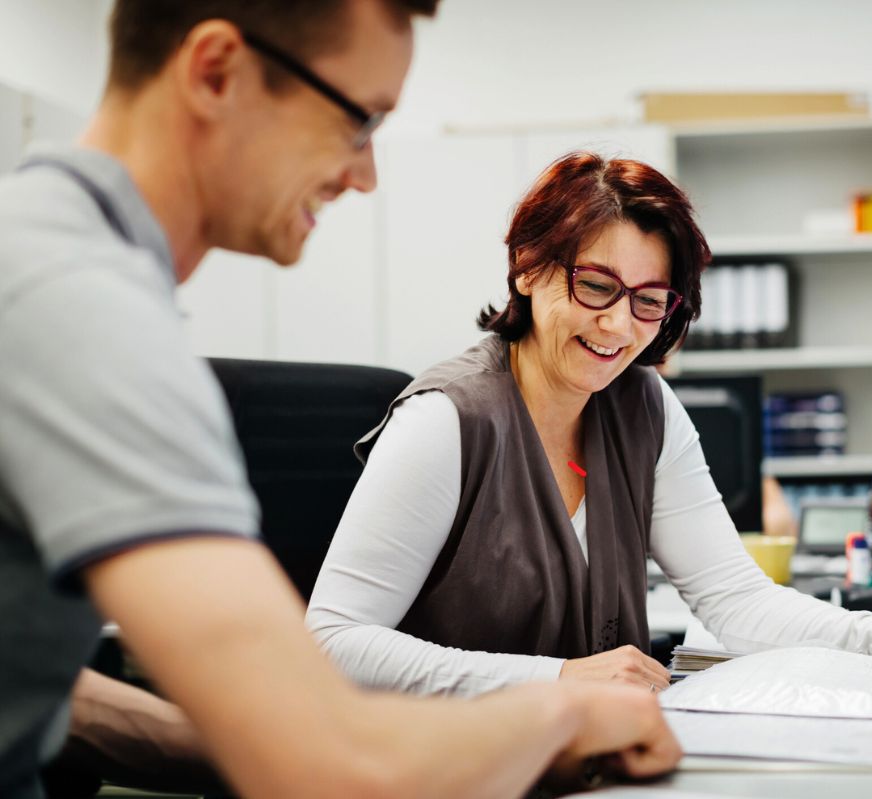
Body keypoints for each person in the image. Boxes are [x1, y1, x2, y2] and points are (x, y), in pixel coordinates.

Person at [0, 3, 682, 798]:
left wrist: (230, 740)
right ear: (215, 72)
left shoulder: (39, 255)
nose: (365, 175)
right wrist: (565, 713)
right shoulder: (77, 307)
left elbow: (41, 686)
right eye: (358, 122)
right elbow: (327, 763)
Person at [306, 151, 872, 698]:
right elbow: (332, 641)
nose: (619, 326)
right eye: (595, 286)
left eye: (650, 302)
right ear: (527, 265)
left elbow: (738, 602)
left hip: (584, 760)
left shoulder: (645, 410)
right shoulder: (446, 422)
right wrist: (558, 679)